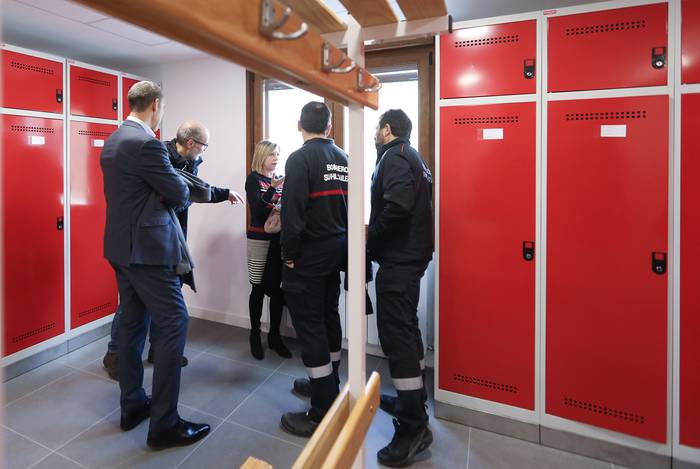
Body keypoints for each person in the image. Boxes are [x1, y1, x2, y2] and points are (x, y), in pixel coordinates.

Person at [100, 81, 209, 449]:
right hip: (149, 252)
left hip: (120, 248)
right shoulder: (147, 144)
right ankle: (165, 424)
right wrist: (170, 191)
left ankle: (132, 405)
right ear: (155, 105)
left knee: (132, 326)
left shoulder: (115, 139)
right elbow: (179, 194)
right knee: (174, 321)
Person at [102, 121, 244, 380]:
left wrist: (223, 194)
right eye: (204, 146)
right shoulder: (158, 155)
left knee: (164, 301)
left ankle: (159, 350)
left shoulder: (190, 162)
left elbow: (192, 189)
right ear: (191, 143)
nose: (204, 151)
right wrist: (185, 196)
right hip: (149, 241)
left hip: (171, 237)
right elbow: (180, 195)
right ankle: (115, 355)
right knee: (134, 305)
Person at [368, 109, 434, 467]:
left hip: (399, 259)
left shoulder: (394, 157)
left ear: (387, 129)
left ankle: (413, 428)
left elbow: (398, 207)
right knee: (407, 330)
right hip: (413, 256)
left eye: (376, 129)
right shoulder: (414, 157)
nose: (374, 134)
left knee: (397, 338)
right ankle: (413, 401)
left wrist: (371, 238)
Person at [279, 102, 348, 437]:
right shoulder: (345, 158)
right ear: (329, 126)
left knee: (310, 328)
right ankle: (328, 384)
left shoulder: (300, 158)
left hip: (308, 256)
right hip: (336, 252)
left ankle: (321, 409)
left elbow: (292, 212)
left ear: (299, 124)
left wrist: (288, 254)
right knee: (329, 317)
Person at [245, 140, 292, 360]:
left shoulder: (280, 179)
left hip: (277, 240)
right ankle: (255, 336)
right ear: (262, 156)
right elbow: (257, 209)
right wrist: (273, 187)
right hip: (258, 239)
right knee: (257, 287)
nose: (275, 158)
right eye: (272, 154)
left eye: (278, 154)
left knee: (276, 289)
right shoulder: (254, 179)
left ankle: (274, 336)